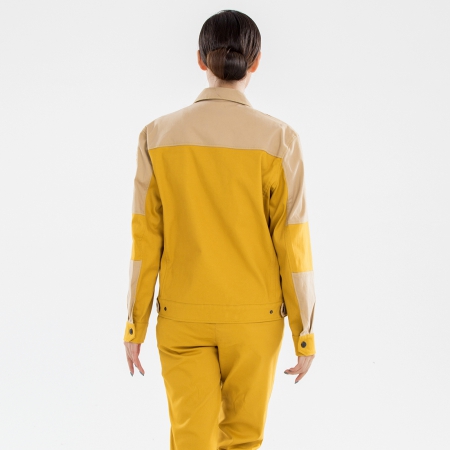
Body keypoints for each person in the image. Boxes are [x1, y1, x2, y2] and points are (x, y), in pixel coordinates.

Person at [123, 9, 317, 450]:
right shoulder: (280, 140)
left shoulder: (157, 135)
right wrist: (304, 332)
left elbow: (145, 238)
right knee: (243, 440)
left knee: (190, 440)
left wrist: (135, 324)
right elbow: (293, 243)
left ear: (200, 59)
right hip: (255, 319)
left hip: (182, 315)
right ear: (256, 62)